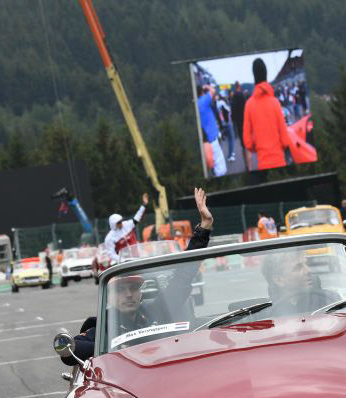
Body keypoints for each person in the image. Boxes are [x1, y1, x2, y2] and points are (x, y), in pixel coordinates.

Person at [62, 188, 213, 365]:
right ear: (109, 297)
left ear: (140, 293)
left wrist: (205, 226)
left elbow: (183, 276)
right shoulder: (103, 327)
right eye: (121, 290)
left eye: (133, 288)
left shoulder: (154, 311)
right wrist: (110, 345)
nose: (128, 294)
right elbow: (70, 350)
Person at [243, 58, 294, 170]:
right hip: (279, 160)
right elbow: (285, 138)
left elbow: (247, 141)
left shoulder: (249, 105)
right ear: (266, 75)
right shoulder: (275, 102)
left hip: (262, 162)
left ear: (254, 76)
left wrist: (258, 147)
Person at [103, 193, 149, 267]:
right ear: (113, 224)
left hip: (138, 258)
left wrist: (144, 205)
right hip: (124, 264)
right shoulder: (109, 238)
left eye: (121, 221)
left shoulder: (127, 224)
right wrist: (121, 260)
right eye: (118, 223)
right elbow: (111, 254)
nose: (121, 224)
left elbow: (137, 218)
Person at [197, 85, 227, 177]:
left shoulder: (197, 103)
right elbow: (213, 90)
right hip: (212, 139)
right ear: (202, 91)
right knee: (221, 169)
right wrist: (206, 86)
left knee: (213, 165)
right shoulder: (204, 100)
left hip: (206, 140)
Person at [217, 95, 235, 162]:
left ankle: (221, 157)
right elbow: (228, 110)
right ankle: (230, 155)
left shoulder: (216, 103)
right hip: (227, 123)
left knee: (221, 141)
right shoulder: (222, 103)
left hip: (221, 124)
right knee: (231, 139)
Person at [231, 81, 247, 154]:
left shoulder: (234, 95)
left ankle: (244, 148)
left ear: (235, 86)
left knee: (241, 137)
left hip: (238, 119)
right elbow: (246, 106)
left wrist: (233, 118)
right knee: (246, 135)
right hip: (244, 117)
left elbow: (233, 108)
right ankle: (246, 146)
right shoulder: (242, 94)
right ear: (239, 86)